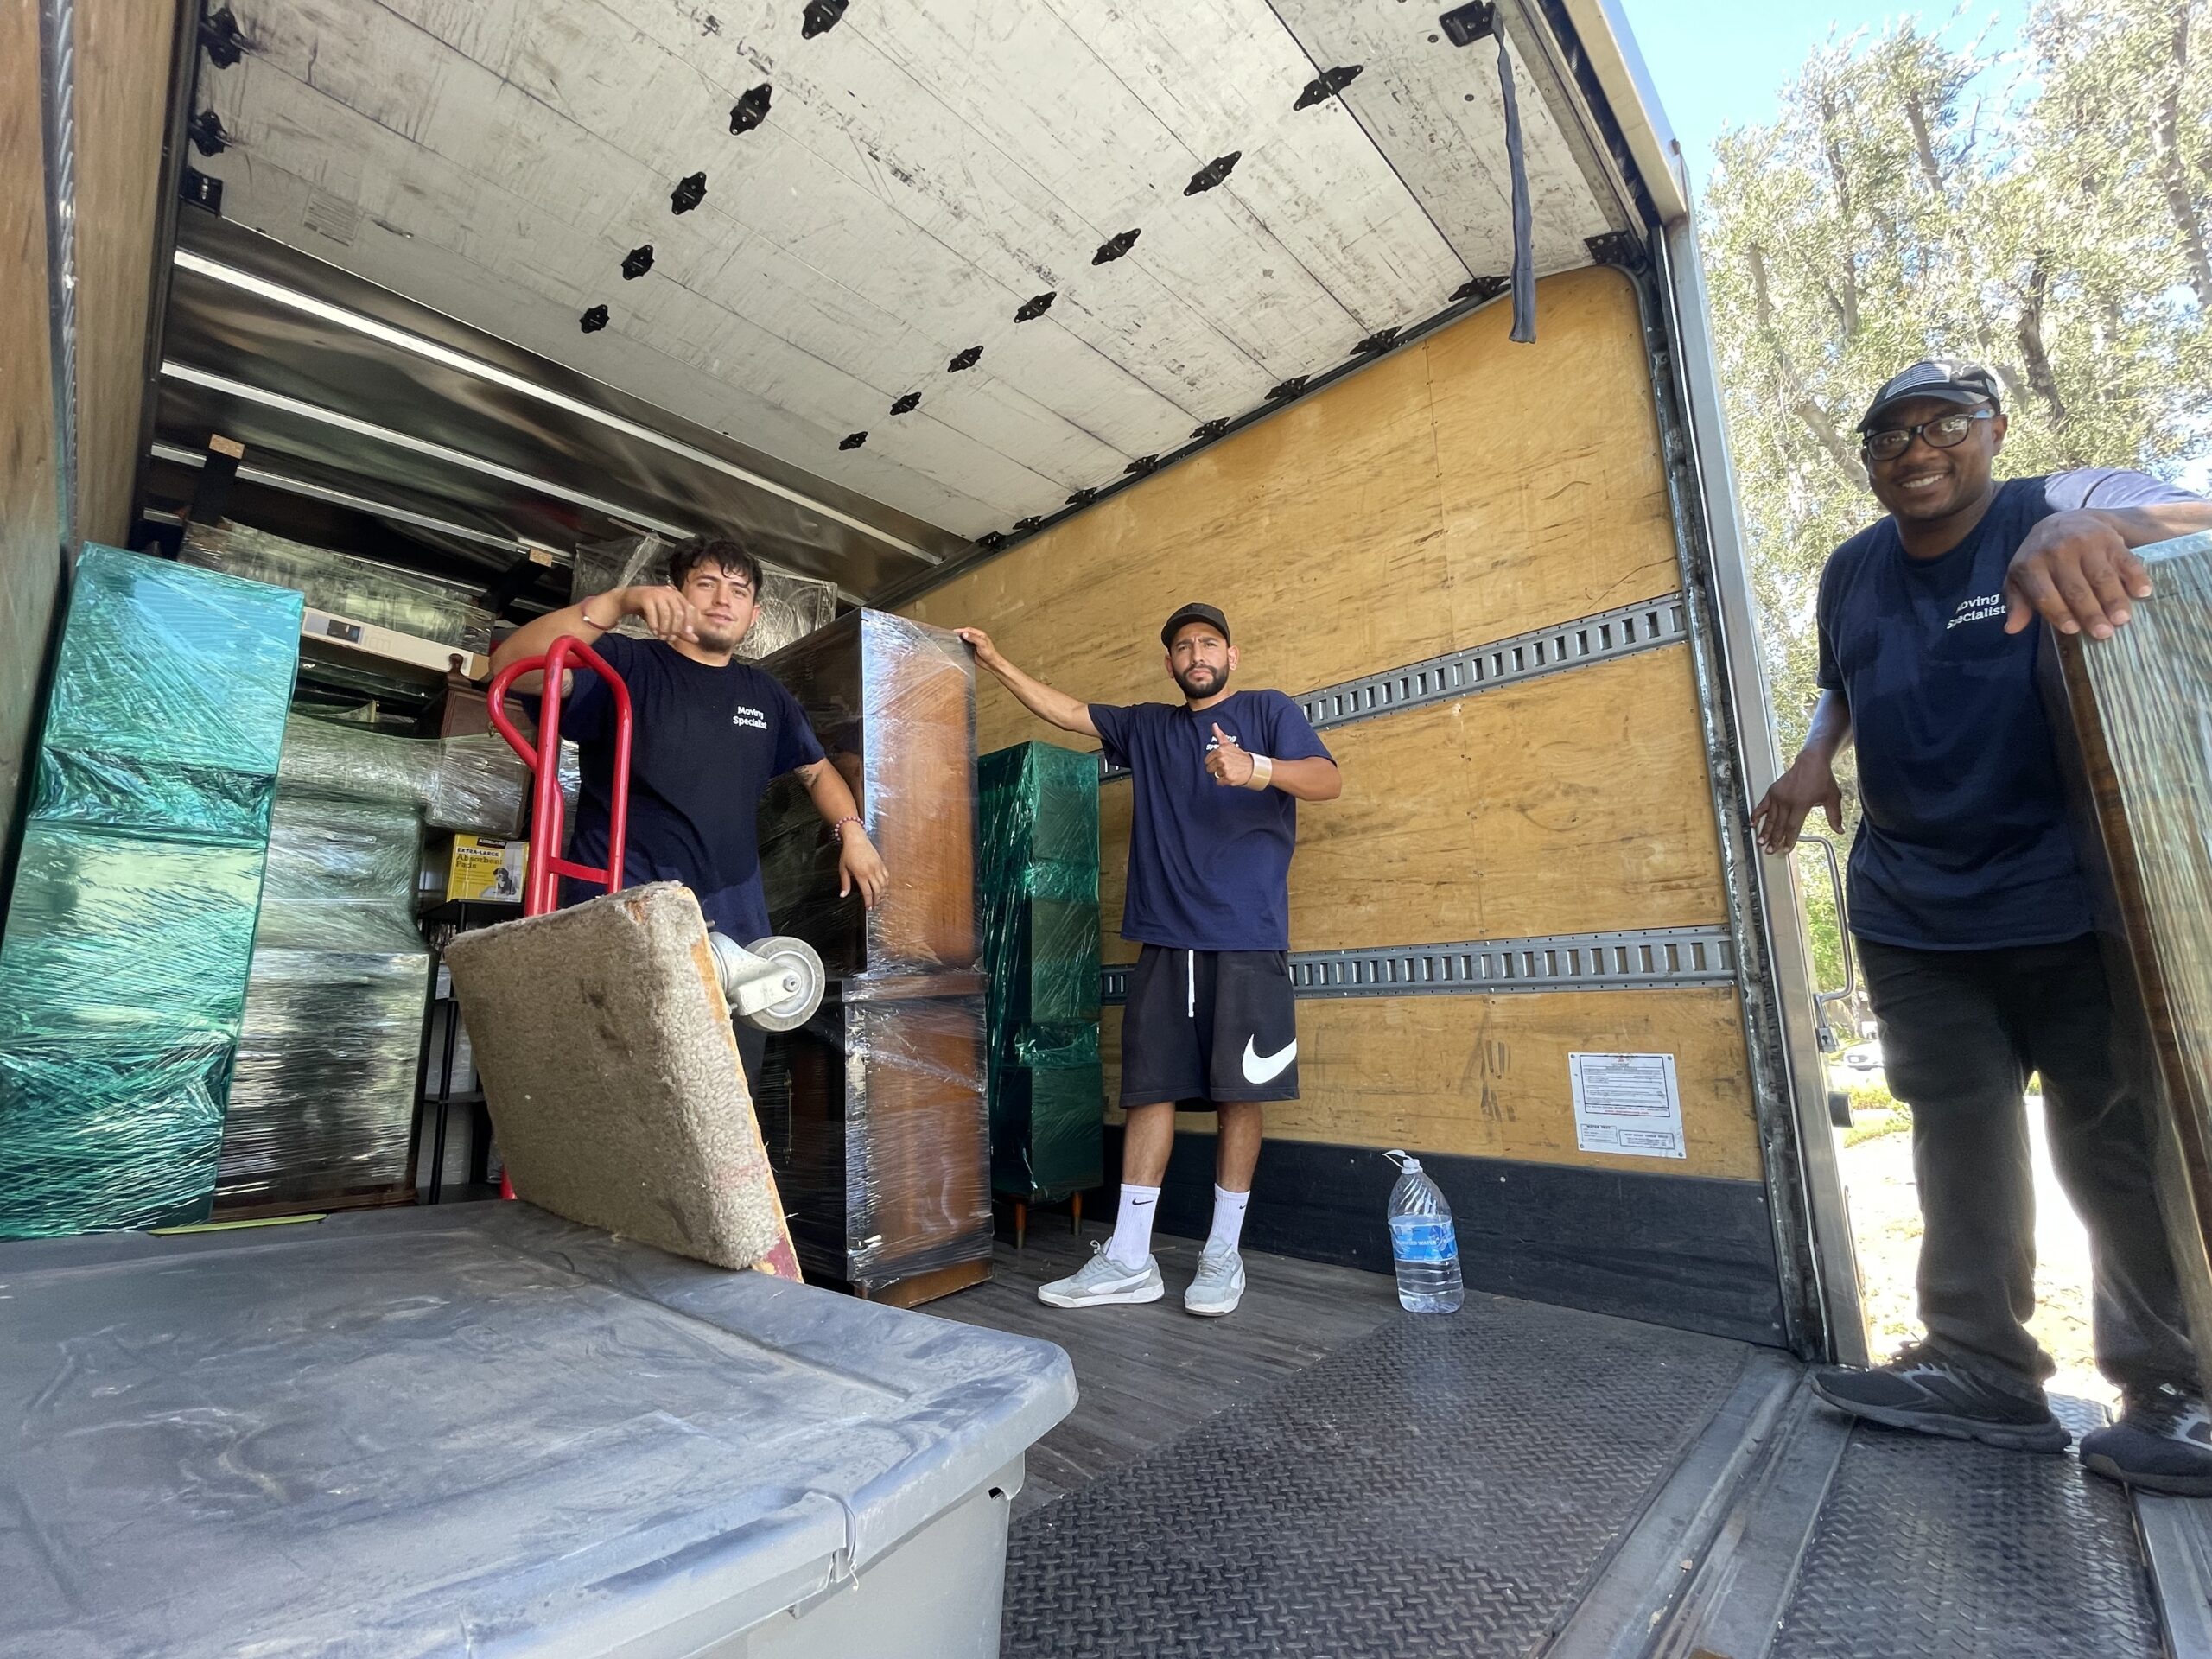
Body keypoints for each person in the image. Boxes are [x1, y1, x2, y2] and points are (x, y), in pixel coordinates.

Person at [1751, 359, 2212, 1494]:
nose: (1915, 450)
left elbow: (2199, 516)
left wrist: (2100, 528)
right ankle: (1981, 1368)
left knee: (2110, 1141)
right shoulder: (1851, 568)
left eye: (1942, 425)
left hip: (2066, 893)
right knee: (1957, 1135)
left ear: (1993, 430)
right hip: (1912, 905)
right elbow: (1842, 678)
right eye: (1888, 436)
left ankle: (2177, 1389)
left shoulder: (2056, 504)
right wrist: (1817, 752)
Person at [957, 604, 1340, 1318]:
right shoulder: (1150, 725)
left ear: (1233, 655)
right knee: (1148, 1091)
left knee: (1240, 1095)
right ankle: (1131, 1260)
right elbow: (1069, 711)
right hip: (1164, 938)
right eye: (1183, 646)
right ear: (1169, 664)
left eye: (1209, 644)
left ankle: (1222, 1254)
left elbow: (1326, 780)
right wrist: (997, 661)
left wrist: (1254, 767)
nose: (1197, 654)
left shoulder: (1268, 709)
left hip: (1247, 938)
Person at [491, 536, 887, 1087]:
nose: (723, 600)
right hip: (628, 911)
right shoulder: (625, 663)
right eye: (706, 584)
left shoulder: (766, 696)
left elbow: (817, 770)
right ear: (673, 594)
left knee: (725, 1096)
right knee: (621, 1093)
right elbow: (511, 666)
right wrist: (615, 604)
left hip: (738, 928)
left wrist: (853, 833)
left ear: (755, 614)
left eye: (739, 591)